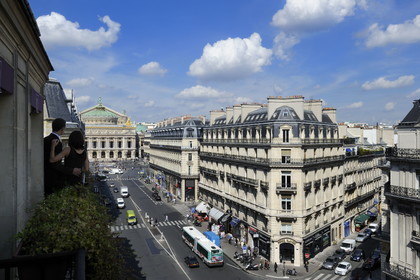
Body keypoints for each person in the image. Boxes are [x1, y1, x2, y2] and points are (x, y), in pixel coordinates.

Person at [44, 118, 81, 196]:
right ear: (62, 129)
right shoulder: (57, 142)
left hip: (45, 175)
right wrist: (71, 171)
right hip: (53, 178)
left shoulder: (45, 139)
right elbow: (55, 164)